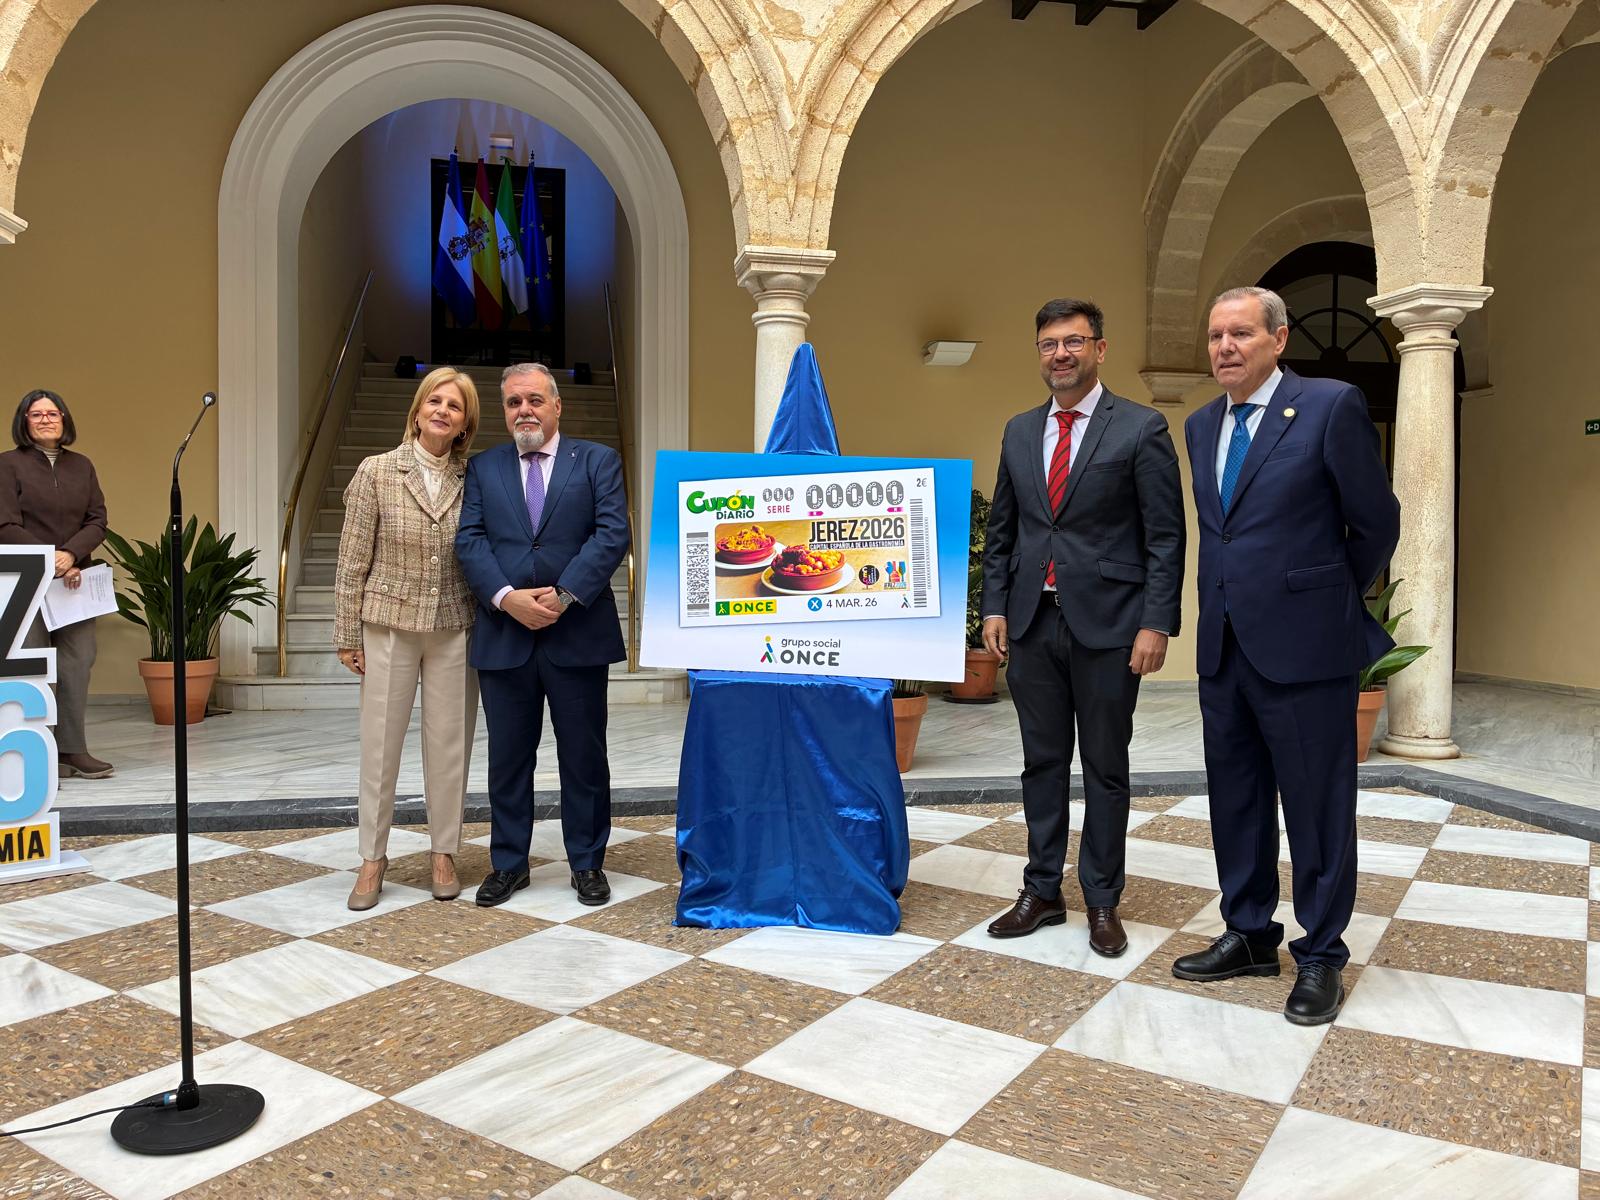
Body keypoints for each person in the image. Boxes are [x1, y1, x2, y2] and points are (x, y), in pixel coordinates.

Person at [1174, 286, 1400, 1025]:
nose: (1225, 347)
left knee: (1317, 806)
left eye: (1241, 333)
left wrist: (1323, 595)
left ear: (1278, 338)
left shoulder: (1329, 406)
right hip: (1225, 646)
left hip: (1306, 648)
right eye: (1216, 335)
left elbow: (1376, 522)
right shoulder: (1202, 424)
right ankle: (1248, 933)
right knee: (1235, 799)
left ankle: (1322, 954)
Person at [980, 299, 1186, 954]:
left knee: (1104, 766)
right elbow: (1004, 531)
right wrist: (993, 607)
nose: (1060, 354)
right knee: (1040, 763)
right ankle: (1042, 890)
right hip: (1032, 623)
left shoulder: (1142, 428)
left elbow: (1165, 536)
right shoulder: (1019, 430)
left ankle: (1102, 900)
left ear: (1099, 348)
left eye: (1073, 342)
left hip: (1112, 627)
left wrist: (1156, 623)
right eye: (1049, 344)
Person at [455, 363, 630, 909]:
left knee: (584, 756)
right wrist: (507, 598)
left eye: (534, 399)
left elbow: (612, 533)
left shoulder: (597, 460)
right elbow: (470, 540)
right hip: (504, 635)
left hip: (577, 633)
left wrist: (565, 594)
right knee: (508, 758)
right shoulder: (483, 468)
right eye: (513, 402)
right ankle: (509, 864)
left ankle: (587, 862)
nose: (524, 410)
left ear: (557, 406)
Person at [334, 367, 481, 910]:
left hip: (454, 625)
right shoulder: (376, 471)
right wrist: (347, 633)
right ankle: (372, 858)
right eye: (434, 401)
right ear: (417, 411)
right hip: (388, 624)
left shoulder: (475, 478)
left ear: (465, 425)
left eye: (455, 406)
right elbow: (352, 560)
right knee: (380, 746)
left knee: (450, 745)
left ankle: (444, 852)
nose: (443, 411)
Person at [0, 389, 113, 779]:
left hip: (73, 581)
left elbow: (97, 520)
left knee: (78, 660)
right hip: (26, 581)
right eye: (36, 414)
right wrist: (51, 558)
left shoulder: (82, 466)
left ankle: (71, 750)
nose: (46, 419)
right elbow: (5, 524)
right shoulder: (7, 465)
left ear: (64, 419)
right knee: (34, 666)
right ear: (24, 421)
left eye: (53, 413)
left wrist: (70, 555)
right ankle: (39, 753)